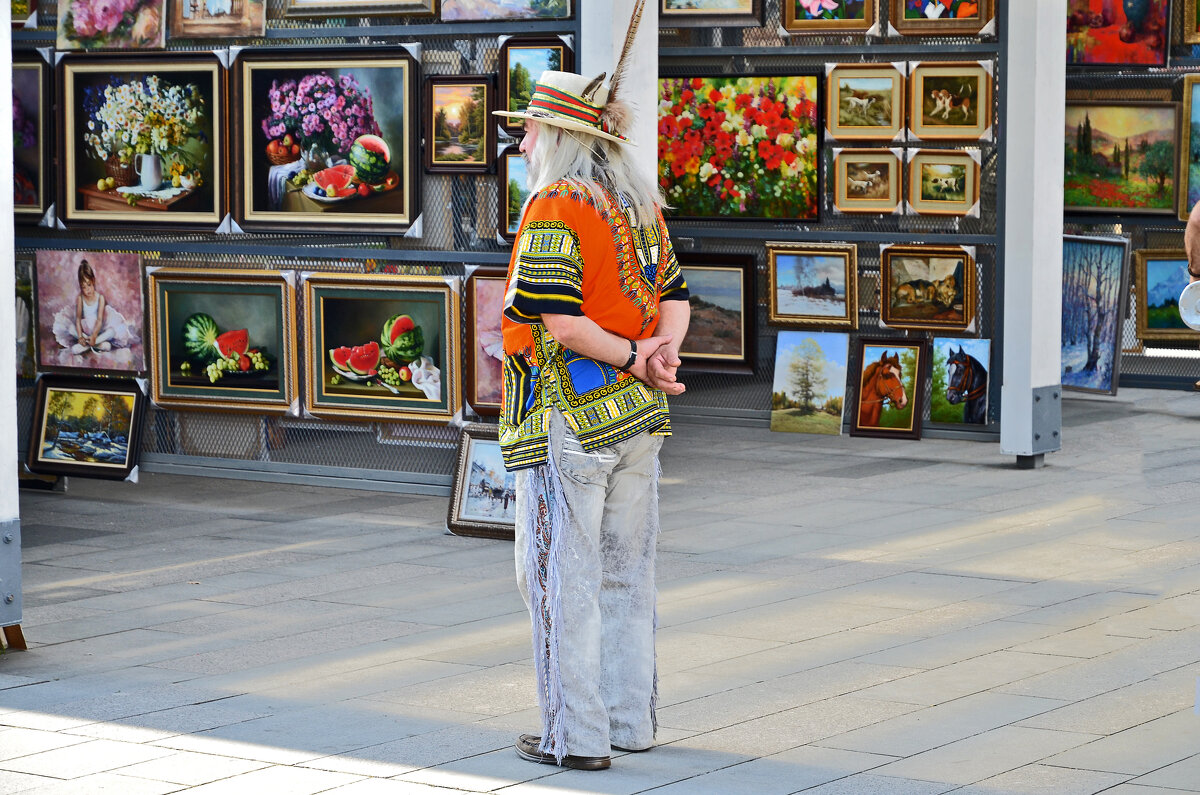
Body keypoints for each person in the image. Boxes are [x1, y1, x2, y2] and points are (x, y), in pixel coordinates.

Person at [493, 0, 691, 772]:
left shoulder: (556, 203)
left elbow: (563, 324)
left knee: (556, 578)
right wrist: (655, 355)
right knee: (626, 573)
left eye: (531, 128)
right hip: (638, 415)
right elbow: (674, 295)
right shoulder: (637, 202)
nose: (523, 139)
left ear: (563, 137)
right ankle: (628, 721)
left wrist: (639, 352)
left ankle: (573, 737)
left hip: (567, 416)